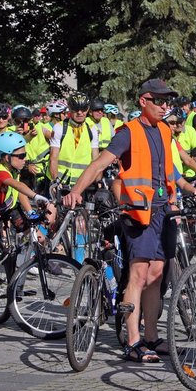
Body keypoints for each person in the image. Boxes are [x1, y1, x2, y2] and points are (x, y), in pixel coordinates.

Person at [64, 79, 179, 363]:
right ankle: (133, 341)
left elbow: (169, 170)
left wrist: (184, 191)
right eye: (159, 101)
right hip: (138, 212)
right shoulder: (128, 133)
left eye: (168, 102)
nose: (165, 106)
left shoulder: (165, 130)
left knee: (156, 276)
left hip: (163, 211)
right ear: (143, 101)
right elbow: (100, 164)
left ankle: (151, 336)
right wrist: (76, 191)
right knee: (138, 276)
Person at [0, 131, 50, 330]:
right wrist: (36, 195)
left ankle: (36, 261)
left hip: (9, 211)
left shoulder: (13, 169)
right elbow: (14, 184)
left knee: (37, 233)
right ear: (7, 157)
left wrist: (31, 210)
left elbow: (17, 191)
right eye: (21, 156)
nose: (25, 159)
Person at [49, 93, 100, 186]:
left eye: (83, 109)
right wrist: (55, 181)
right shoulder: (59, 128)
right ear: (70, 108)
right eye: (76, 109)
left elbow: (96, 159)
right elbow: (53, 157)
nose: (80, 112)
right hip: (61, 181)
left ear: (88, 109)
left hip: (83, 183)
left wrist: (98, 181)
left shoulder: (92, 129)